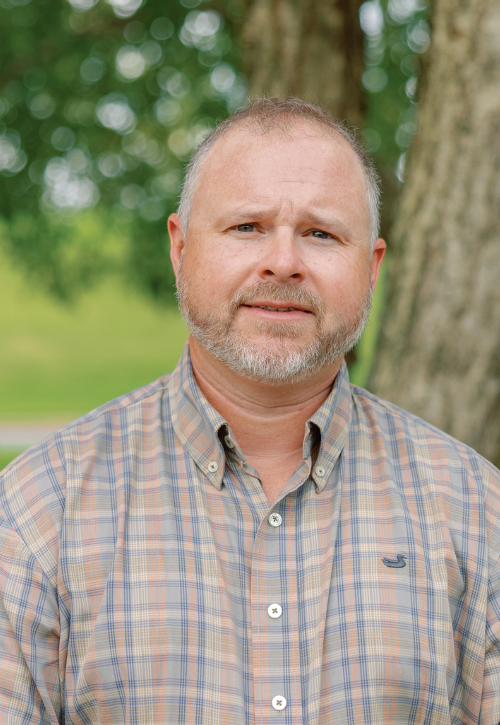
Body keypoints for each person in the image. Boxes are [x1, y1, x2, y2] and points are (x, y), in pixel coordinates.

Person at [1, 97, 500, 725]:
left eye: (321, 233)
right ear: (181, 249)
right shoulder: (40, 509)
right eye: (246, 228)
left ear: (371, 268)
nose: (284, 262)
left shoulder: (476, 509)